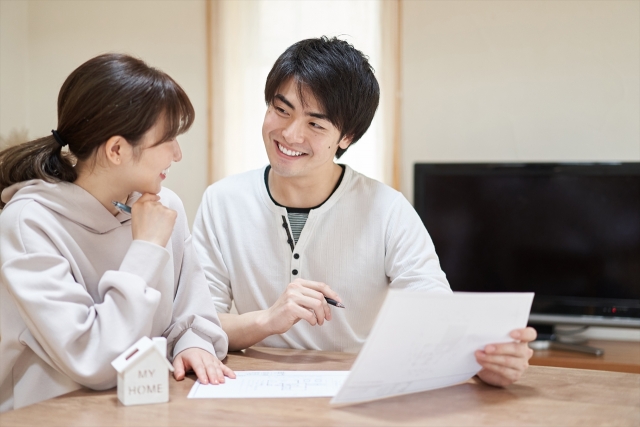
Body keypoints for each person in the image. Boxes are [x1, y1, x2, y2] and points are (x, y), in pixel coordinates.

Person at [193, 37, 536, 387]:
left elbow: (436, 314)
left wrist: (485, 359)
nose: (290, 134)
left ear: (347, 137)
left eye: (315, 124)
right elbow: (200, 324)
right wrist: (268, 320)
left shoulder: (387, 209)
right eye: (281, 110)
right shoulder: (222, 201)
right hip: (250, 387)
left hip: (356, 390)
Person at [0, 54, 234, 412]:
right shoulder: (29, 224)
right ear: (116, 149)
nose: (178, 153)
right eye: (168, 139)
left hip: (147, 412)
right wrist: (145, 249)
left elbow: (193, 315)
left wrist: (193, 343)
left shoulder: (162, 207)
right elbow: (93, 358)